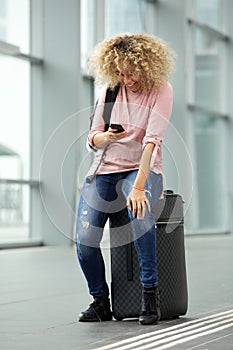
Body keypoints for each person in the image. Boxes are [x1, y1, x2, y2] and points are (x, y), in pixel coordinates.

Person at [76, 33, 175, 325]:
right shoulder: (109, 90)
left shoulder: (161, 89)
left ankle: (149, 294)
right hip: (104, 170)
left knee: (140, 215)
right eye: (120, 72)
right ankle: (100, 302)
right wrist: (108, 136)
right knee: (84, 240)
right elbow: (92, 139)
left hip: (143, 167)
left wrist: (141, 186)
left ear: (145, 65)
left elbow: (152, 141)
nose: (126, 78)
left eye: (131, 72)